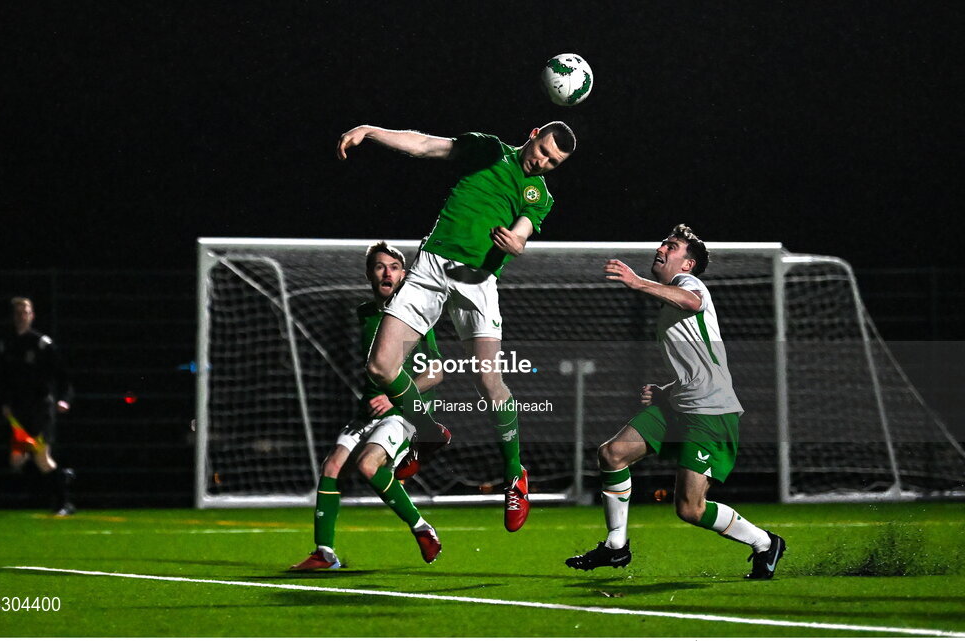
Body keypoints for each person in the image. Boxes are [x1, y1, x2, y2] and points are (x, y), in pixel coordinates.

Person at [336, 122, 576, 532]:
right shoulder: (487, 150)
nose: (543, 162)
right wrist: (370, 131)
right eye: (542, 151)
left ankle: (515, 475)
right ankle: (428, 433)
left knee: (489, 381)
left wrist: (517, 241)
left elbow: (524, 227)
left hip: (478, 280)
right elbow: (428, 145)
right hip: (432, 266)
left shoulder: (539, 194)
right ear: (533, 134)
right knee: (380, 367)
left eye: (553, 162)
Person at [565, 225, 786, 579]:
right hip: (679, 403)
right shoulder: (670, 300)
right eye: (664, 243)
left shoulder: (690, 285)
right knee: (612, 453)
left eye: (672, 246)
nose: (662, 248)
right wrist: (666, 389)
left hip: (710, 411)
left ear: (688, 264)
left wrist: (637, 282)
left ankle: (764, 542)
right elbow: (698, 362)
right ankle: (616, 546)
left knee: (689, 509)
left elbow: (692, 302)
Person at [290, 242, 445, 571]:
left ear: (404, 275)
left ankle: (422, 528)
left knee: (368, 466)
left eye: (393, 267)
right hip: (367, 412)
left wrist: (393, 396)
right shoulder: (365, 314)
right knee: (332, 467)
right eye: (379, 266)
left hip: (402, 412)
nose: (387, 272)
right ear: (369, 274)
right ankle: (325, 553)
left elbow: (436, 371)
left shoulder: (416, 316)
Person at [0, 297, 76, 515]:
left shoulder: (42, 344)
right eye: (18, 312)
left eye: (26, 312)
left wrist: (64, 400)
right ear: (13, 317)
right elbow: (4, 378)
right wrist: (5, 403)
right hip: (19, 410)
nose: (22, 315)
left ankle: (63, 503)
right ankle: (63, 477)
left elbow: (64, 377)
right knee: (17, 460)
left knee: (41, 457)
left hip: (41, 408)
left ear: (32, 315)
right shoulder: (6, 344)